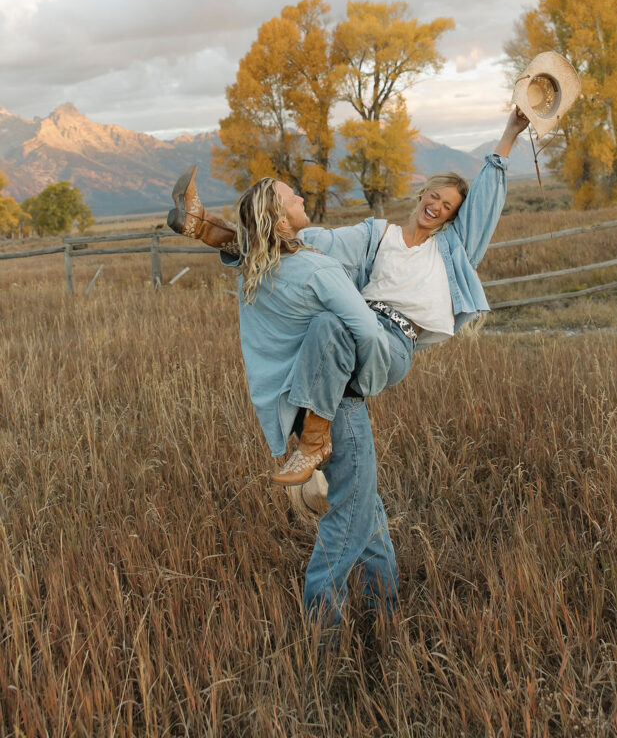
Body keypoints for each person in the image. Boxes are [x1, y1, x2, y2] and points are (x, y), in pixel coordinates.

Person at [168, 107, 528, 622]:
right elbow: (311, 242)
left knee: (329, 325)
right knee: (363, 497)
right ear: (420, 193)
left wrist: (509, 136)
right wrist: (253, 234)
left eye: (448, 205)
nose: (437, 206)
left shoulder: (452, 249)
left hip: (390, 344)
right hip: (354, 339)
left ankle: (314, 445)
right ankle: (385, 606)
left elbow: (487, 205)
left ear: (452, 217)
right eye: (433, 194)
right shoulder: (375, 234)